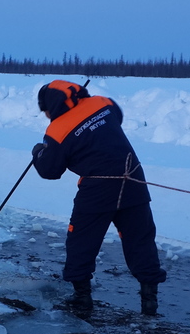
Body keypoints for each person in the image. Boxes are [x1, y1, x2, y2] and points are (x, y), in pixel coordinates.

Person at [31, 79, 167, 316]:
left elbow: (49, 171)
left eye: (44, 110)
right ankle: (149, 301)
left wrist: (39, 152)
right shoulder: (103, 103)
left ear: (51, 106)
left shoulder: (57, 130)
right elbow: (117, 118)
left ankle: (81, 298)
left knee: (81, 240)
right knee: (140, 239)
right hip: (133, 177)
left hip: (98, 188)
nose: (44, 115)